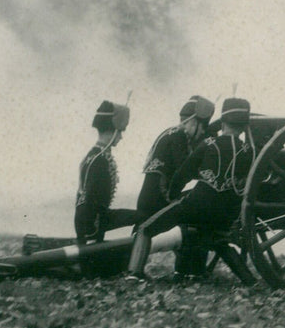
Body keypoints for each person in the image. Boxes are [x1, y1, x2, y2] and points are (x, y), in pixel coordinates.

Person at [127, 97, 255, 280]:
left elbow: (182, 175)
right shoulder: (249, 152)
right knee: (219, 240)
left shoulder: (208, 144)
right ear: (244, 126)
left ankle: (134, 274)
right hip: (224, 213)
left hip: (193, 205)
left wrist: (173, 196)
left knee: (146, 229)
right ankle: (248, 281)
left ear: (223, 122)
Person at [74, 100, 137, 249]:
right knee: (143, 217)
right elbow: (88, 201)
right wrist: (90, 238)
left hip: (95, 219)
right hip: (92, 224)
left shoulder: (95, 155)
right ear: (113, 130)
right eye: (120, 132)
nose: (121, 137)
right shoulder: (100, 160)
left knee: (141, 216)